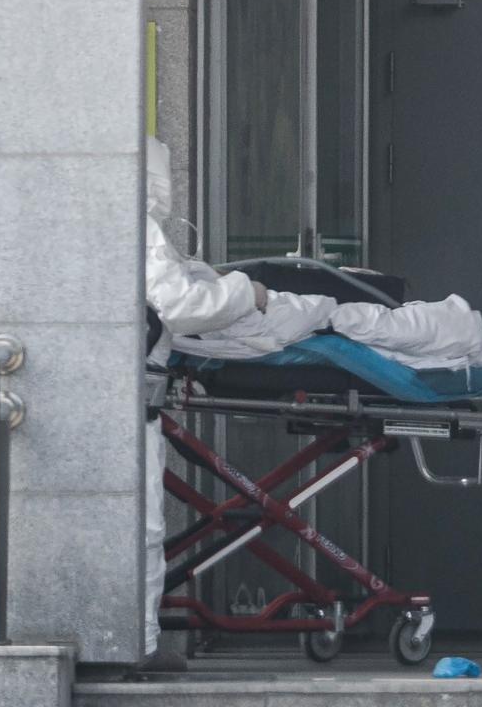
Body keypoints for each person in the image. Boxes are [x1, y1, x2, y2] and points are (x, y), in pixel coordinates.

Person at [143, 136, 267, 663]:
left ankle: (134, 642)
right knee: (142, 526)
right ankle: (138, 646)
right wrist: (247, 291)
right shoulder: (139, 230)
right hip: (131, 400)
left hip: (117, 392)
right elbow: (183, 308)